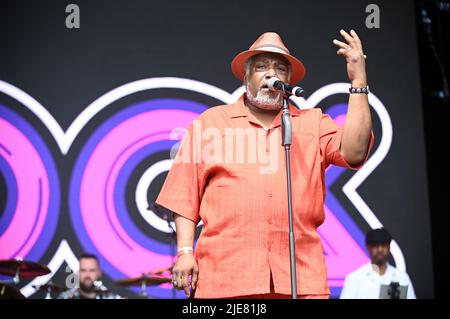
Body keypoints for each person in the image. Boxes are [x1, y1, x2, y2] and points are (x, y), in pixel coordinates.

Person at [156, 31, 374, 299]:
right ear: (246, 77)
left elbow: (354, 152)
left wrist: (358, 81)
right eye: (261, 67)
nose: (272, 74)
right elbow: (184, 195)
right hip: (224, 278)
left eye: (280, 68)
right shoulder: (210, 123)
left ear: (288, 81)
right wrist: (185, 252)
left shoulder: (312, 122)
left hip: (300, 279)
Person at [340, 228, 416, 299]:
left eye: (383, 245)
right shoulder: (354, 279)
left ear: (389, 247)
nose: (380, 249)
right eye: (375, 245)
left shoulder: (402, 278)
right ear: (368, 247)